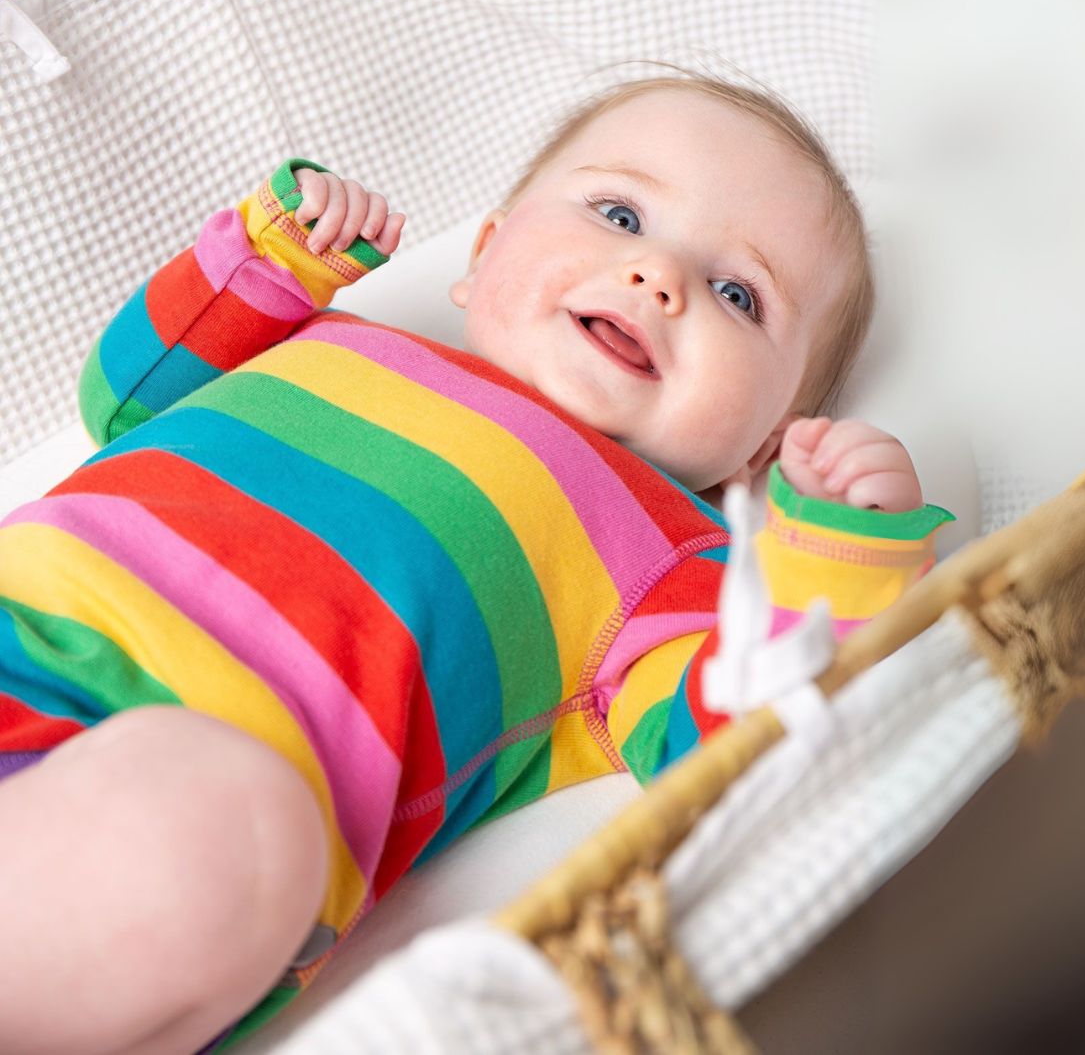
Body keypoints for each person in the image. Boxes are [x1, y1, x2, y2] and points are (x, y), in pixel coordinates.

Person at [0, 74, 952, 1053]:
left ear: (761, 446)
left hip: (169, 793)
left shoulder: (664, 558)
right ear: (486, 251)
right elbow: (122, 399)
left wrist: (839, 564)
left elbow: (740, 746)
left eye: (738, 294)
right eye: (619, 212)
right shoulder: (326, 334)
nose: (658, 276)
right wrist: (268, 255)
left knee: (224, 824)